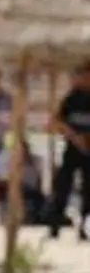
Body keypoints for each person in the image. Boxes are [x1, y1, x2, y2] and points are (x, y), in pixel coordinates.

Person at [47, 60, 90, 241]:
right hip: (72, 149)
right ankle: (55, 223)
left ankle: (84, 226)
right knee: (63, 185)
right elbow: (56, 122)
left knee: (88, 190)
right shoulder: (72, 98)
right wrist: (73, 136)